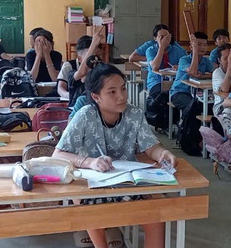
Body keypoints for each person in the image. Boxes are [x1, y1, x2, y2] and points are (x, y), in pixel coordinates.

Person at [52, 62, 177, 248]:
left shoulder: (134, 114)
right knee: (94, 213)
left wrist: (162, 153)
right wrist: (89, 162)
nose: (121, 96)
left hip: (127, 183)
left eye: (123, 89)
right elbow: (58, 154)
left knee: (155, 216)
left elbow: (150, 146)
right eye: (112, 92)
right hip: (91, 185)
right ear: (96, 97)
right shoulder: (85, 115)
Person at [169, 32, 214, 110]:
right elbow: (193, 72)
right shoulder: (184, 60)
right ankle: (183, 122)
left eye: (205, 45)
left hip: (197, 93)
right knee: (193, 106)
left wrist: (203, 76)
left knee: (211, 106)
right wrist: (195, 51)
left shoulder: (206, 61)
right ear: (191, 47)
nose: (202, 47)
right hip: (180, 92)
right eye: (198, 44)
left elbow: (216, 74)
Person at [57, 34, 103, 101]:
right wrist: (71, 96)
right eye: (90, 55)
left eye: (98, 55)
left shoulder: (102, 68)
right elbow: (61, 88)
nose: (95, 59)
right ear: (79, 59)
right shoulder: (70, 68)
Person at [145, 24, 187, 97]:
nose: (165, 39)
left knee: (179, 95)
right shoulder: (150, 50)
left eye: (167, 37)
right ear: (155, 38)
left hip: (174, 81)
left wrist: (179, 66)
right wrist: (161, 47)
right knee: (161, 95)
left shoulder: (177, 50)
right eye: (161, 37)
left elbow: (186, 65)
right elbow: (155, 67)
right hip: (156, 81)